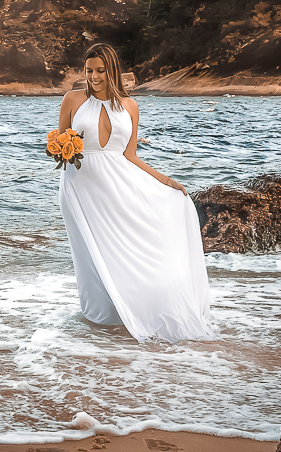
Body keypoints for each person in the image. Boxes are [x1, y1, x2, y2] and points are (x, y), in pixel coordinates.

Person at [57, 42, 213, 342]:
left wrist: (165, 180)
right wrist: (59, 148)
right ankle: (102, 323)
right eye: (89, 71)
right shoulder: (72, 99)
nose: (94, 77)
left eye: (100, 71)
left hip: (120, 184)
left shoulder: (129, 106)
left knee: (135, 247)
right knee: (91, 256)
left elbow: (130, 156)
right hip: (80, 188)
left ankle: (142, 310)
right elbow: (59, 144)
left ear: (113, 71)